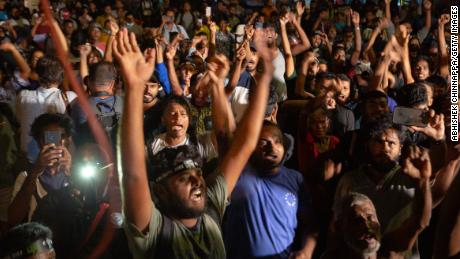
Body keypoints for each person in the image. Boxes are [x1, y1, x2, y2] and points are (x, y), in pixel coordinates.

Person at [115, 27, 274, 258]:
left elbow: (243, 146)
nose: (197, 181)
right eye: (183, 177)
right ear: (160, 191)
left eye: (197, 174)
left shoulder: (208, 209)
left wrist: (266, 74)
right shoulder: (154, 229)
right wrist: (134, 88)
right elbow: (133, 174)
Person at [223, 120, 318, 258]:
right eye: (263, 142)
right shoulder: (238, 175)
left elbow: (311, 225)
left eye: (277, 141)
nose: (272, 148)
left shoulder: (296, 179)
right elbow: (224, 136)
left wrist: (306, 252)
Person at [15, 56, 76, 162]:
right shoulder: (70, 98)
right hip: (58, 161)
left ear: (38, 75)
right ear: (61, 76)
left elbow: (19, 119)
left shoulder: (23, 96)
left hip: (29, 160)